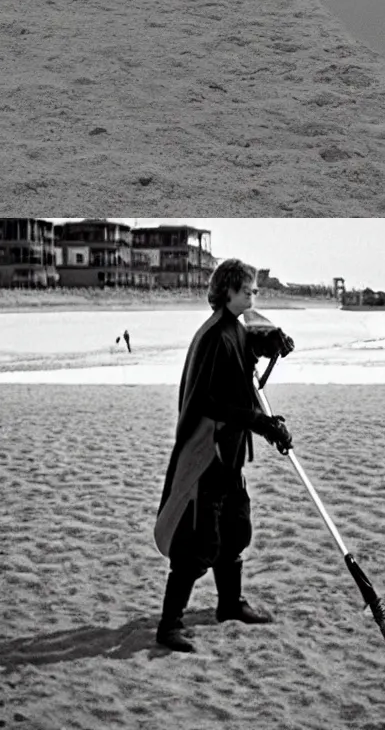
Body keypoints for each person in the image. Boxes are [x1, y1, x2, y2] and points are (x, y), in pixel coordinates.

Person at [153, 258, 295, 653]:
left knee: (235, 529)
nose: (253, 295)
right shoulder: (214, 335)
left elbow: (248, 340)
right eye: (247, 290)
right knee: (198, 542)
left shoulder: (234, 326)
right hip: (207, 454)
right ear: (229, 291)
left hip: (230, 453)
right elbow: (207, 400)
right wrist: (259, 422)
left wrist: (271, 343)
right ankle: (169, 625)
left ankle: (229, 604)